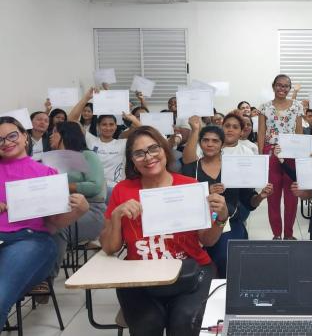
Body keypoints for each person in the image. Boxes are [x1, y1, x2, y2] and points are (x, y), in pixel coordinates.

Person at [100, 126, 227, 336]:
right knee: (148, 324)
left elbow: (208, 240)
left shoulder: (189, 186)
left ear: (164, 150)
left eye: (153, 149)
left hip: (190, 273)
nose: (148, 157)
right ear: (132, 159)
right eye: (139, 153)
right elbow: (110, 248)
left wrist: (221, 217)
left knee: (184, 322)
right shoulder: (123, 190)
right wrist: (116, 216)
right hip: (140, 278)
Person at [0, 116, 89, 329]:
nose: (6, 142)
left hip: (30, 241)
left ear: (25, 137)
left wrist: (80, 211)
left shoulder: (46, 174)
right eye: (0, 139)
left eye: (12, 135)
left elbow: (55, 222)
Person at [181, 124, 272, 277]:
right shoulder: (190, 169)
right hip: (197, 224)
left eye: (215, 141)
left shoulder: (234, 167)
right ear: (200, 143)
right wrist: (206, 192)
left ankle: (224, 292)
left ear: (222, 144)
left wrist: (260, 196)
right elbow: (183, 201)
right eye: (205, 140)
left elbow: (249, 202)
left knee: (225, 257)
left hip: (228, 223)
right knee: (190, 263)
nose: (210, 144)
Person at [49, 121, 106, 275]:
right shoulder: (51, 159)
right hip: (60, 208)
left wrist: (59, 185)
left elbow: (94, 186)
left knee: (57, 227)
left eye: (54, 132)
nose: (50, 135)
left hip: (90, 210)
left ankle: (47, 279)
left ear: (65, 135)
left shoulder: (86, 155)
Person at [258, 74, 304, 240]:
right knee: (273, 195)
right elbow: (261, 132)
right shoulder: (264, 107)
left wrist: (300, 154)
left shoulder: (297, 106)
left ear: (289, 88)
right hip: (271, 153)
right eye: (279, 85)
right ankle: (277, 234)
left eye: (286, 86)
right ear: (273, 86)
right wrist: (261, 155)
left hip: (292, 153)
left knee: (292, 197)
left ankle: (289, 234)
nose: (282, 88)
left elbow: (299, 132)